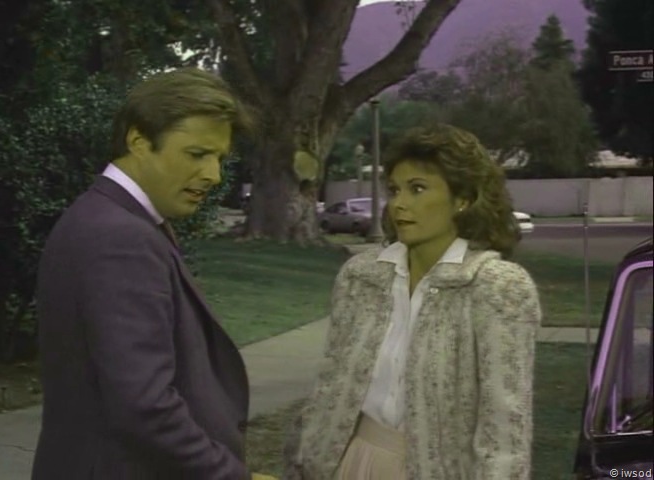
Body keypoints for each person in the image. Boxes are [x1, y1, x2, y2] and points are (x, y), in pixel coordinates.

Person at [33, 68, 276, 480]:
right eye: (197, 154)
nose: (214, 175)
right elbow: (144, 405)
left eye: (219, 158)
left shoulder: (113, 220)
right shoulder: (119, 236)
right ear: (139, 142)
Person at [282, 124, 542, 479]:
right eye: (394, 190)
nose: (399, 204)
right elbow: (329, 387)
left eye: (417, 189)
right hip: (350, 462)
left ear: (463, 199)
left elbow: (505, 430)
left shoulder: (497, 287)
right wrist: (303, 461)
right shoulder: (362, 277)